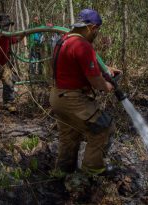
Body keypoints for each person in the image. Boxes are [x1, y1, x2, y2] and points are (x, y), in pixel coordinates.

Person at [49, 9, 122, 175]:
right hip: (72, 100)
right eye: (97, 30)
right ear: (92, 28)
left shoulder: (63, 40)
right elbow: (96, 82)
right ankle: (92, 170)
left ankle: (63, 174)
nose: (96, 34)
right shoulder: (83, 45)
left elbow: (70, 67)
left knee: (69, 136)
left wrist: (107, 70)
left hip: (57, 97)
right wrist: (108, 86)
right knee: (104, 128)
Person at [0, 14, 24, 111]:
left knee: (8, 83)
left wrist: (23, 35)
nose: (7, 27)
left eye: (8, 25)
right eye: (5, 25)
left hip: (5, 63)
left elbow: (16, 39)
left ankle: (9, 103)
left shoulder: (8, 35)